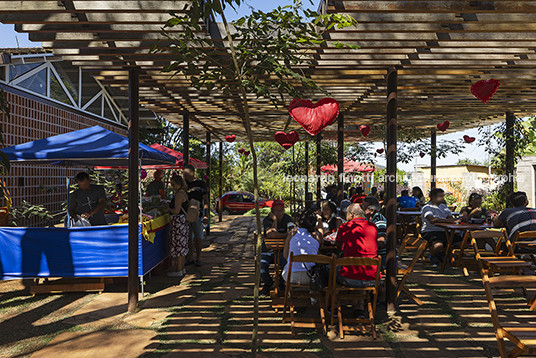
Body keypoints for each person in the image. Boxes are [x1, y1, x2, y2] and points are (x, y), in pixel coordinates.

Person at [335, 204, 379, 288]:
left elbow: (337, 244)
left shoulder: (344, 227)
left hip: (350, 278)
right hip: (372, 278)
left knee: (330, 269)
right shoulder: (373, 227)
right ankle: (360, 300)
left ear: (351, 214)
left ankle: (353, 299)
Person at [261, 200, 294, 296]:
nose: (279, 213)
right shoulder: (267, 220)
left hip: (282, 251)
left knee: (286, 266)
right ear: (272, 211)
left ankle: (280, 282)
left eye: (281, 210)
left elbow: (292, 231)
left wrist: (279, 234)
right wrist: (275, 221)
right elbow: (271, 234)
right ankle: (268, 283)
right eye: (277, 211)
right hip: (267, 251)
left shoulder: (288, 219)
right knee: (262, 269)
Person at [281, 210, 323, 285]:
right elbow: (321, 242)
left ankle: (288, 293)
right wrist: (320, 223)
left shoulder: (292, 233)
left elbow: (285, 255)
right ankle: (313, 294)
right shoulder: (317, 235)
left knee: (285, 266)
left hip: (291, 276)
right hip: (311, 276)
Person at [421, 188, 461, 264]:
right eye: (440, 196)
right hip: (430, 231)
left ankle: (445, 254)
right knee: (438, 245)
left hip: (444, 231)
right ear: (433, 197)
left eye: (443, 196)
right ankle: (433, 255)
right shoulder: (427, 207)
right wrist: (451, 221)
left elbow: (450, 218)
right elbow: (432, 220)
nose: (442, 198)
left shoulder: (444, 207)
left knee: (463, 243)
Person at [183, 164, 209, 267]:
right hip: (185, 214)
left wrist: (206, 215)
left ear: (192, 173)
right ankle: (190, 257)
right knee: (188, 237)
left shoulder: (200, 184)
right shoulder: (183, 184)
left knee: (198, 237)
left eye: (185, 173)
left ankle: (198, 258)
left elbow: (206, 200)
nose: (183, 175)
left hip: (197, 214)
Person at [166, 175, 189, 277]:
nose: (172, 186)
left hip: (178, 222)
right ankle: (181, 268)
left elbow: (176, 210)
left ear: (179, 184)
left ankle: (179, 269)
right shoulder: (183, 193)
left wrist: (168, 209)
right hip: (182, 222)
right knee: (182, 245)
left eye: (173, 184)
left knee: (179, 245)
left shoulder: (179, 195)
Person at [362, 196, 387, 271]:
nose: (360, 210)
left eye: (363, 208)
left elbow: (380, 243)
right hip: (372, 256)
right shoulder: (367, 219)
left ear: (371, 211)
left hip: (380, 258)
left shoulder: (380, 222)